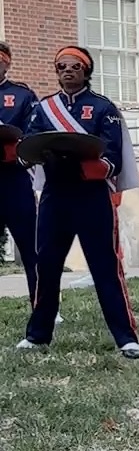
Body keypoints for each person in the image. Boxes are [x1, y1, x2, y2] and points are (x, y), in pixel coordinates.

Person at [15, 46, 139, 358]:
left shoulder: (103, 108)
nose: (67, 71)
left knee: (105, 267)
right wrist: (36, 155)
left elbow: (113, 157)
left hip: (91, 196)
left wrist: (88, 165)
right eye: (61, 66)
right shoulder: (44, 108)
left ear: (87, 71)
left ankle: (126, 337)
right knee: (46, 266)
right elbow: (27, 147)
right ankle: (38, 335)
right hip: (55, 195)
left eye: (74, 66)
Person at [0, 42, 39, 305]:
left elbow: (34, 133)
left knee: (31, 246)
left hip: (13, 178)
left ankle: (44, 303)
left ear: (6, 64)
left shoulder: (22, 95)